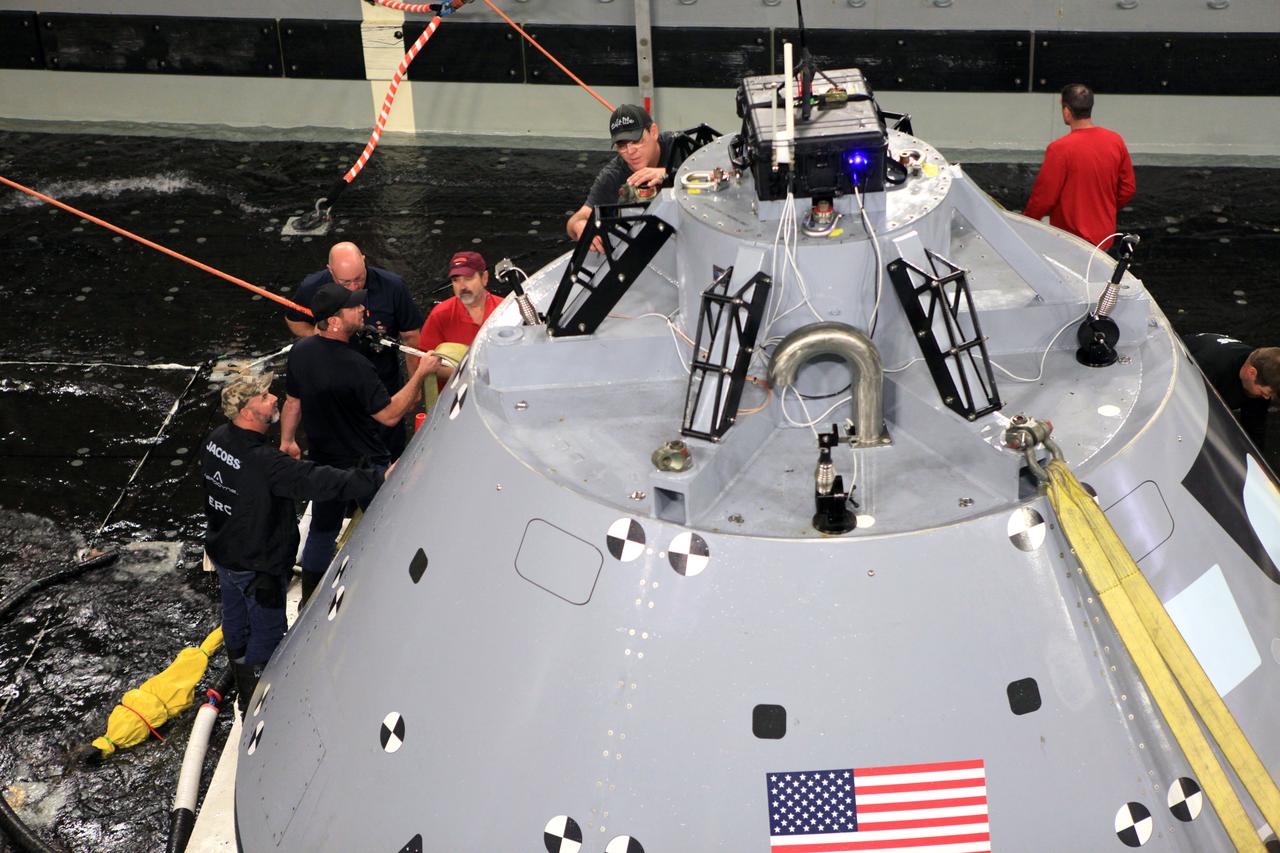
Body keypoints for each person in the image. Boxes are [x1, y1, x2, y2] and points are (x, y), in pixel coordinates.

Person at [202, 370, 384, 711]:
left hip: (226, 556)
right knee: (269, 640)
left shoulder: (216, 440)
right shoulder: (265, 462)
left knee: (235, 622)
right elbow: (317, 481)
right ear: (246, 412)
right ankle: (261, 705)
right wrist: (376, 477)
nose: (275, 398)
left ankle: (242, 682)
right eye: (264, 396)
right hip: (260, 567)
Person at [281, 282, 433, 601]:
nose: (362, 310)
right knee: (389, 527)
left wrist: (288, 442)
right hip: (366, 466)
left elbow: (292, 402)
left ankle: (310, 597)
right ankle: (400, 593)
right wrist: (420, 374)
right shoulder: (356, 366)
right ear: (334, 320)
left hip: (322, 462)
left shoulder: (300, 352)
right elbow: (390, 415)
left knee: (323, 531)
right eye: (354, 308)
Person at [284, 242, 425, 460]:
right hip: (334, 400)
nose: (353, 288)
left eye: (358, 279)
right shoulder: (311, 289)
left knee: (388, 451)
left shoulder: (393, 287)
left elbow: (411, 337)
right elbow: (294, 320)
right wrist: (320, 339)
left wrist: (414, 383)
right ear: (330, 272)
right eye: (345, 282)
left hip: (380, 382)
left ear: (364, 261)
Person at [1023, 84, 1136, 252]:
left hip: (1070, 241)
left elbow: (1043, 198)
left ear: (1067, 110)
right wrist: (1103, 209)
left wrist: (1025, 223)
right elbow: (1128, 188)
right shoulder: (1115, 141)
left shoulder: (1060, 148)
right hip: (1103, 239)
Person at [566, 104, 690, 251]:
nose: (630, 151)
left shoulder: (680, 147)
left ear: (654, 132)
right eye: (622, 145)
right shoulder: (612, 175)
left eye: (637, 141)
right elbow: (575, 221)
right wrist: (579, 226)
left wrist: (671, 174)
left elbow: (720, 173)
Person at [418, 250, 503, 390]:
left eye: (468, 278)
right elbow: (424, 363)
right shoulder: (440, 315)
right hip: (456, 401)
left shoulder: (506, 311)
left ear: (485, 278)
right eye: (456, 280)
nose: (462, 287)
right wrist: (475, 375)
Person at [1184, 333, 1280, 450]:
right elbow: (1184, 413)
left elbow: (1254, 426)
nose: (1266, 397)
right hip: (1181, 379)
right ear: (1251, 372)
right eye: (1266, 392)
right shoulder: (1209, 369)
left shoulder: (1262, 368)